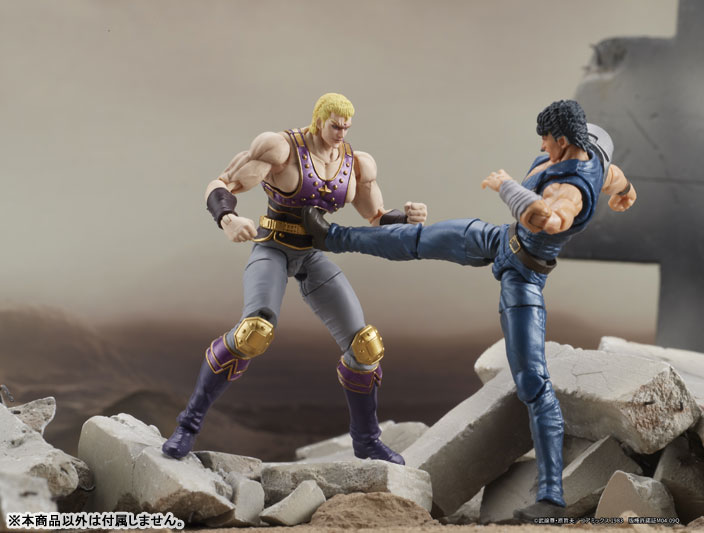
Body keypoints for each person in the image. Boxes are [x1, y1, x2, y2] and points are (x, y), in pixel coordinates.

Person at [302, 100, 636, 519]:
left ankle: (551, 497)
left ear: (565, 141)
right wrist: (626, 195)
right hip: (500, 240)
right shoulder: (598, 163)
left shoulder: (570, 190)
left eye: (547, 140)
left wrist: (506, 186)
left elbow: (549, 221)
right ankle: (330, 236)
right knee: (419, 239)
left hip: (524, 275)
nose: (542, 146)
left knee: (532, 382)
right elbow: (619, 181)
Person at [162, 93, 427, 464]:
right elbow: (220, 183)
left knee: (365, 346)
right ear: (319, 120)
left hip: (311, 254)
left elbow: (375, 216)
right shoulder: (279, 148)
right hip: (272, 246)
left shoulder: (356, 163)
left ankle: (367, 441)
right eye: (335, 126)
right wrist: (228, 219)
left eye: (347, 127)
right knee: (253, 332)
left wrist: (405, 218)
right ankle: (187, 426)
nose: (341, 133)